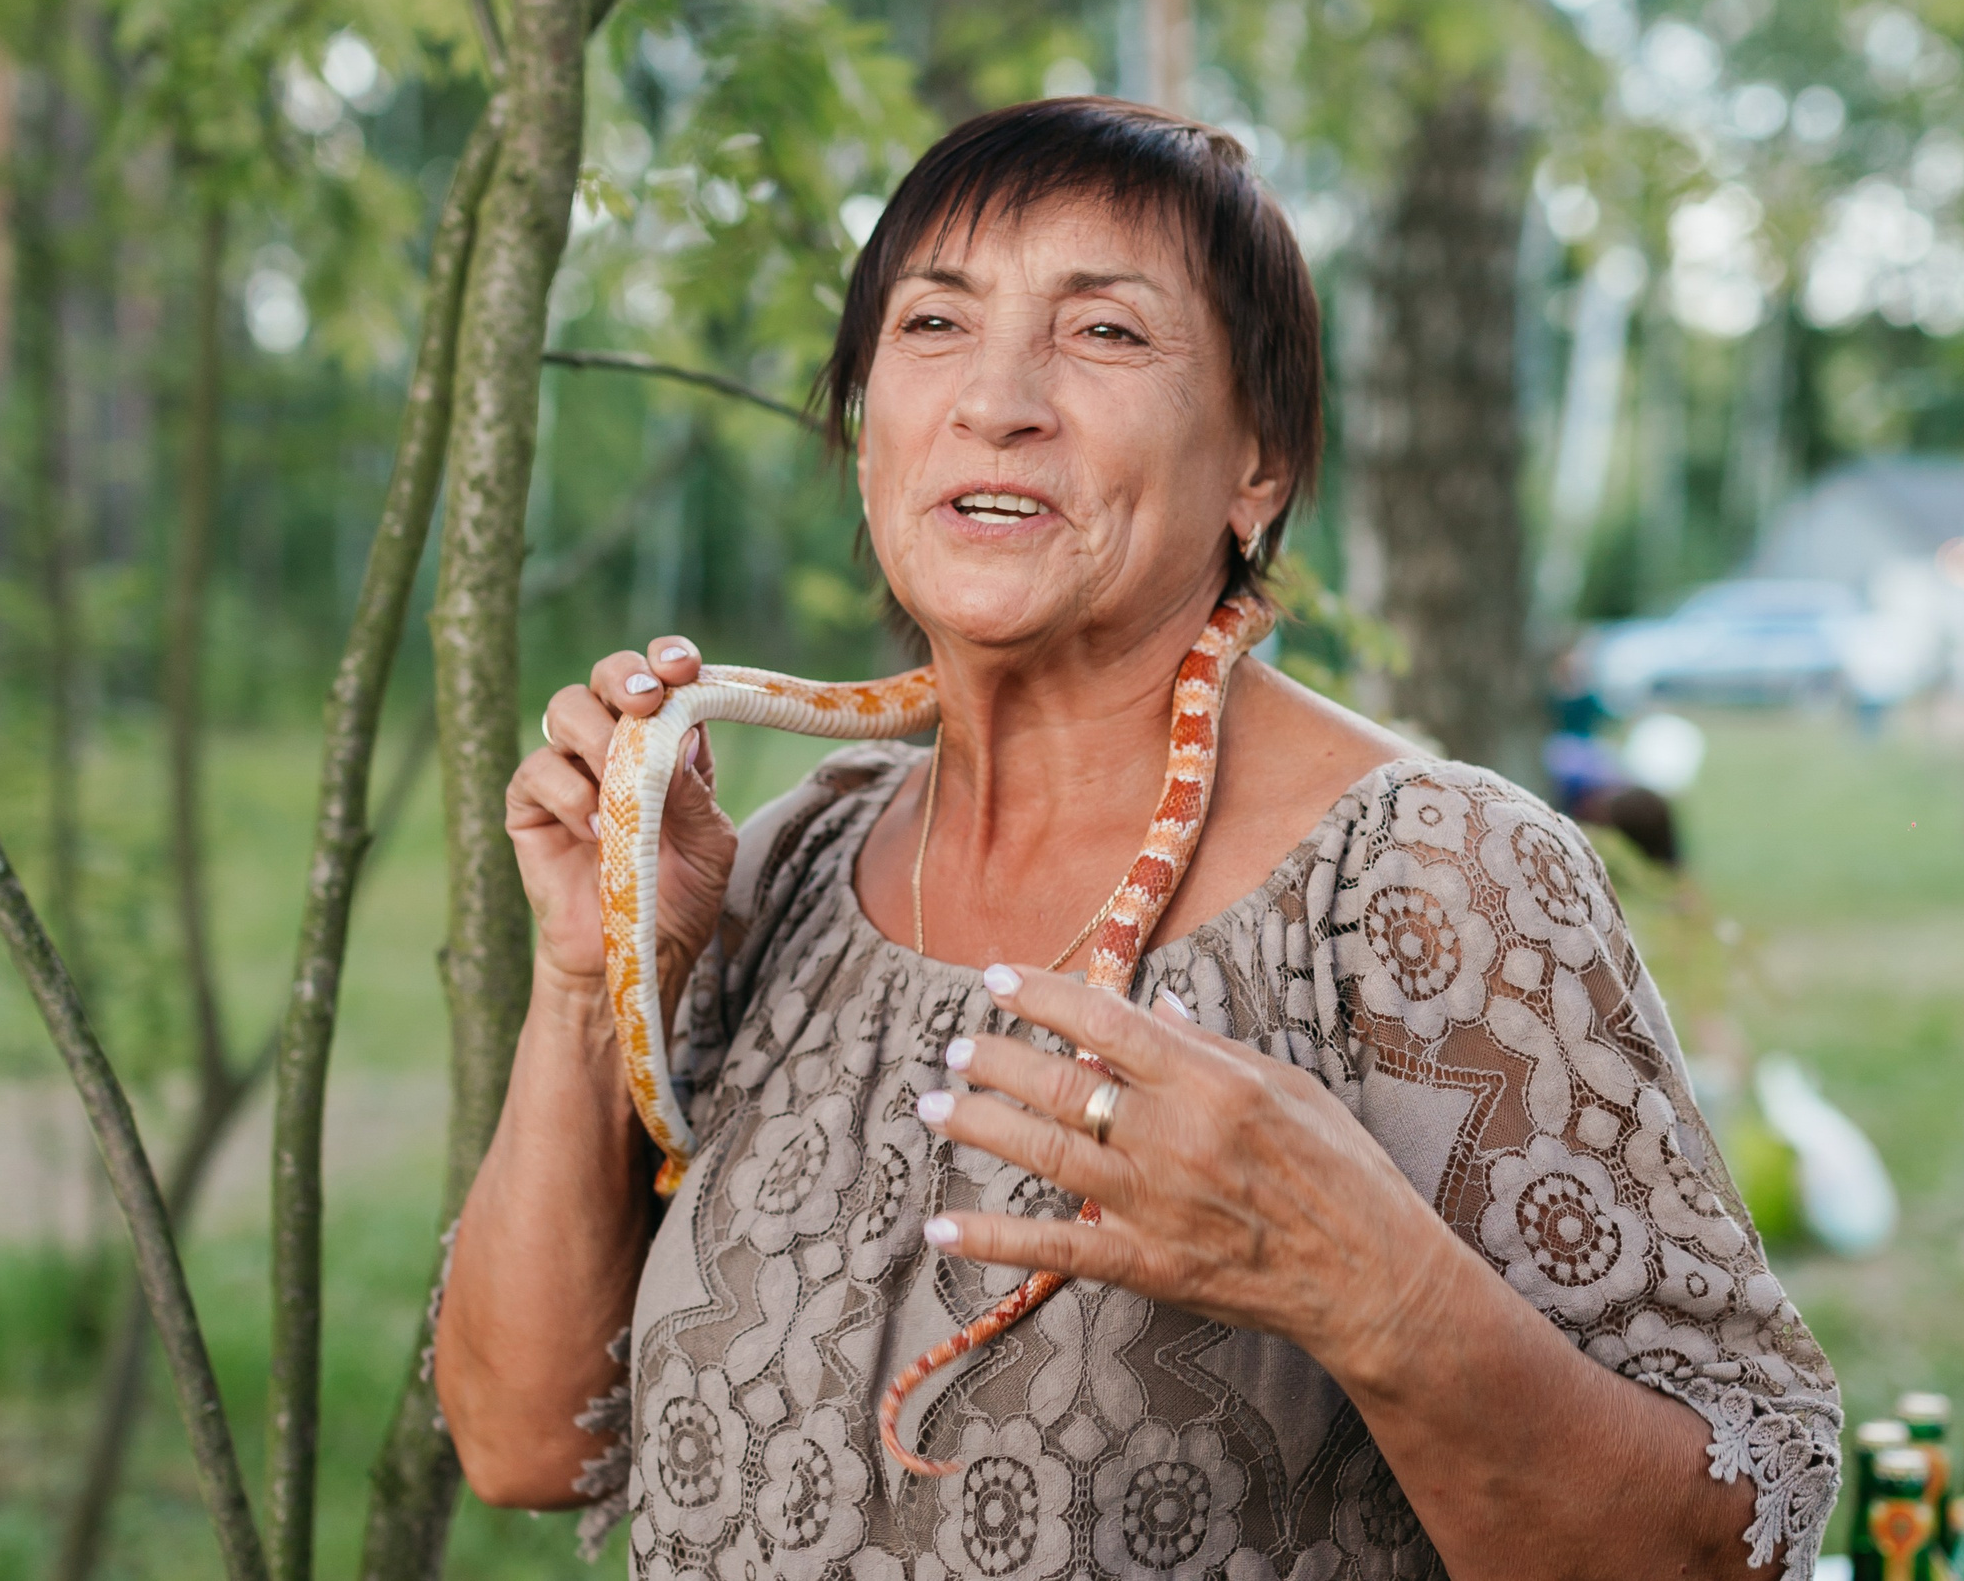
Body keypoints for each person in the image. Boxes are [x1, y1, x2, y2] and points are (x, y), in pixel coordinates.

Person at [433, 98, 1841, 1580]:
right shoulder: (785, 867)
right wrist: (593, 977)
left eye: (1105, 333)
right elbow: (527, 1444)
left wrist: (1375, 1289)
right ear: (866, 428)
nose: (997, 401)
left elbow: (1731, 1552)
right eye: (933, 324)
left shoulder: (1430, 879)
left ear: (1258, 466)